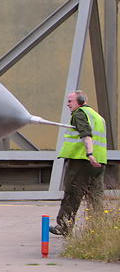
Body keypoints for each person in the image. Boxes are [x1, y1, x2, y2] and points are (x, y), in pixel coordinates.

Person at [50, 90, 107, 236]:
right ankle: (100, 228)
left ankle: (64, 226)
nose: (67, 104)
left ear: (80, 100)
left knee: (72, 194)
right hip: (99, 162)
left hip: (82, 160)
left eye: (70, 101)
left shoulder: (80, 114)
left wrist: (89, 154)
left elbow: (86, 134)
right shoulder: (98, 117)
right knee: (96, 197)